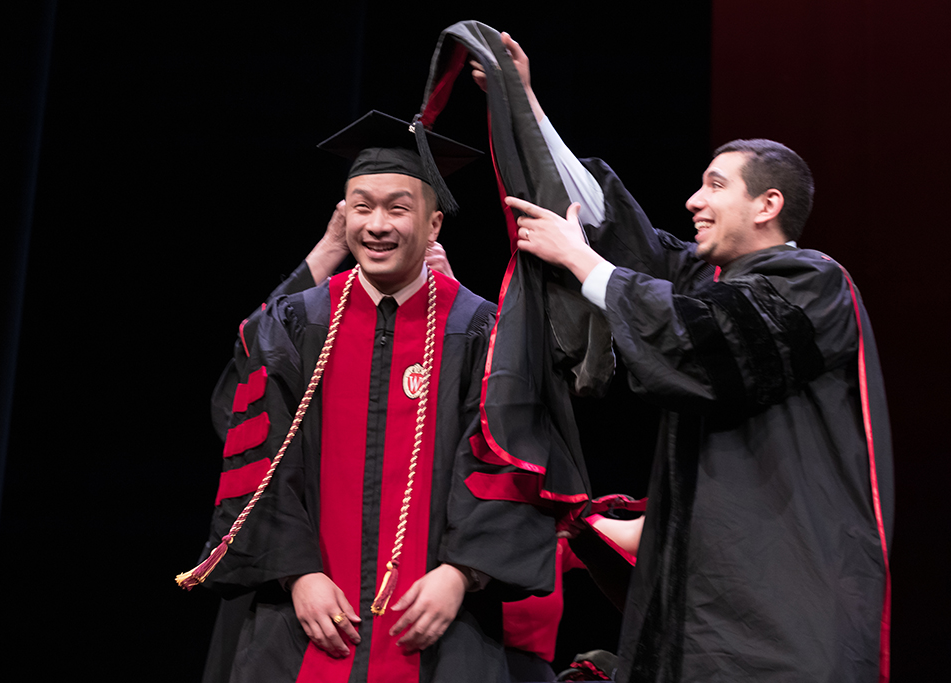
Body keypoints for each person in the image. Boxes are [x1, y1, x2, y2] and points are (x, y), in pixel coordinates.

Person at [487, 32, 892, 683]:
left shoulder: (812, 284)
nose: (693, 201)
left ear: (768, 204)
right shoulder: (710, 284)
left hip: (783, 616)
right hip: (706, 616)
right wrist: (526, 104)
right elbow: (627, 242)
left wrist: (581, 260)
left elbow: (706, 342)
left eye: (713, 185)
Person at [183, 110, 558, 683]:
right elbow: (256, 456)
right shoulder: (296, 324)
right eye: (362, 207)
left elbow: (505, 458)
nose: (377, 224)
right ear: (343, 217)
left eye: (398, 208)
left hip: (440, 624)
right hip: (304, 619)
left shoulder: (481, 330)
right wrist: (297, 575)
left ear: (434, 224)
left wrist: (461, 573)